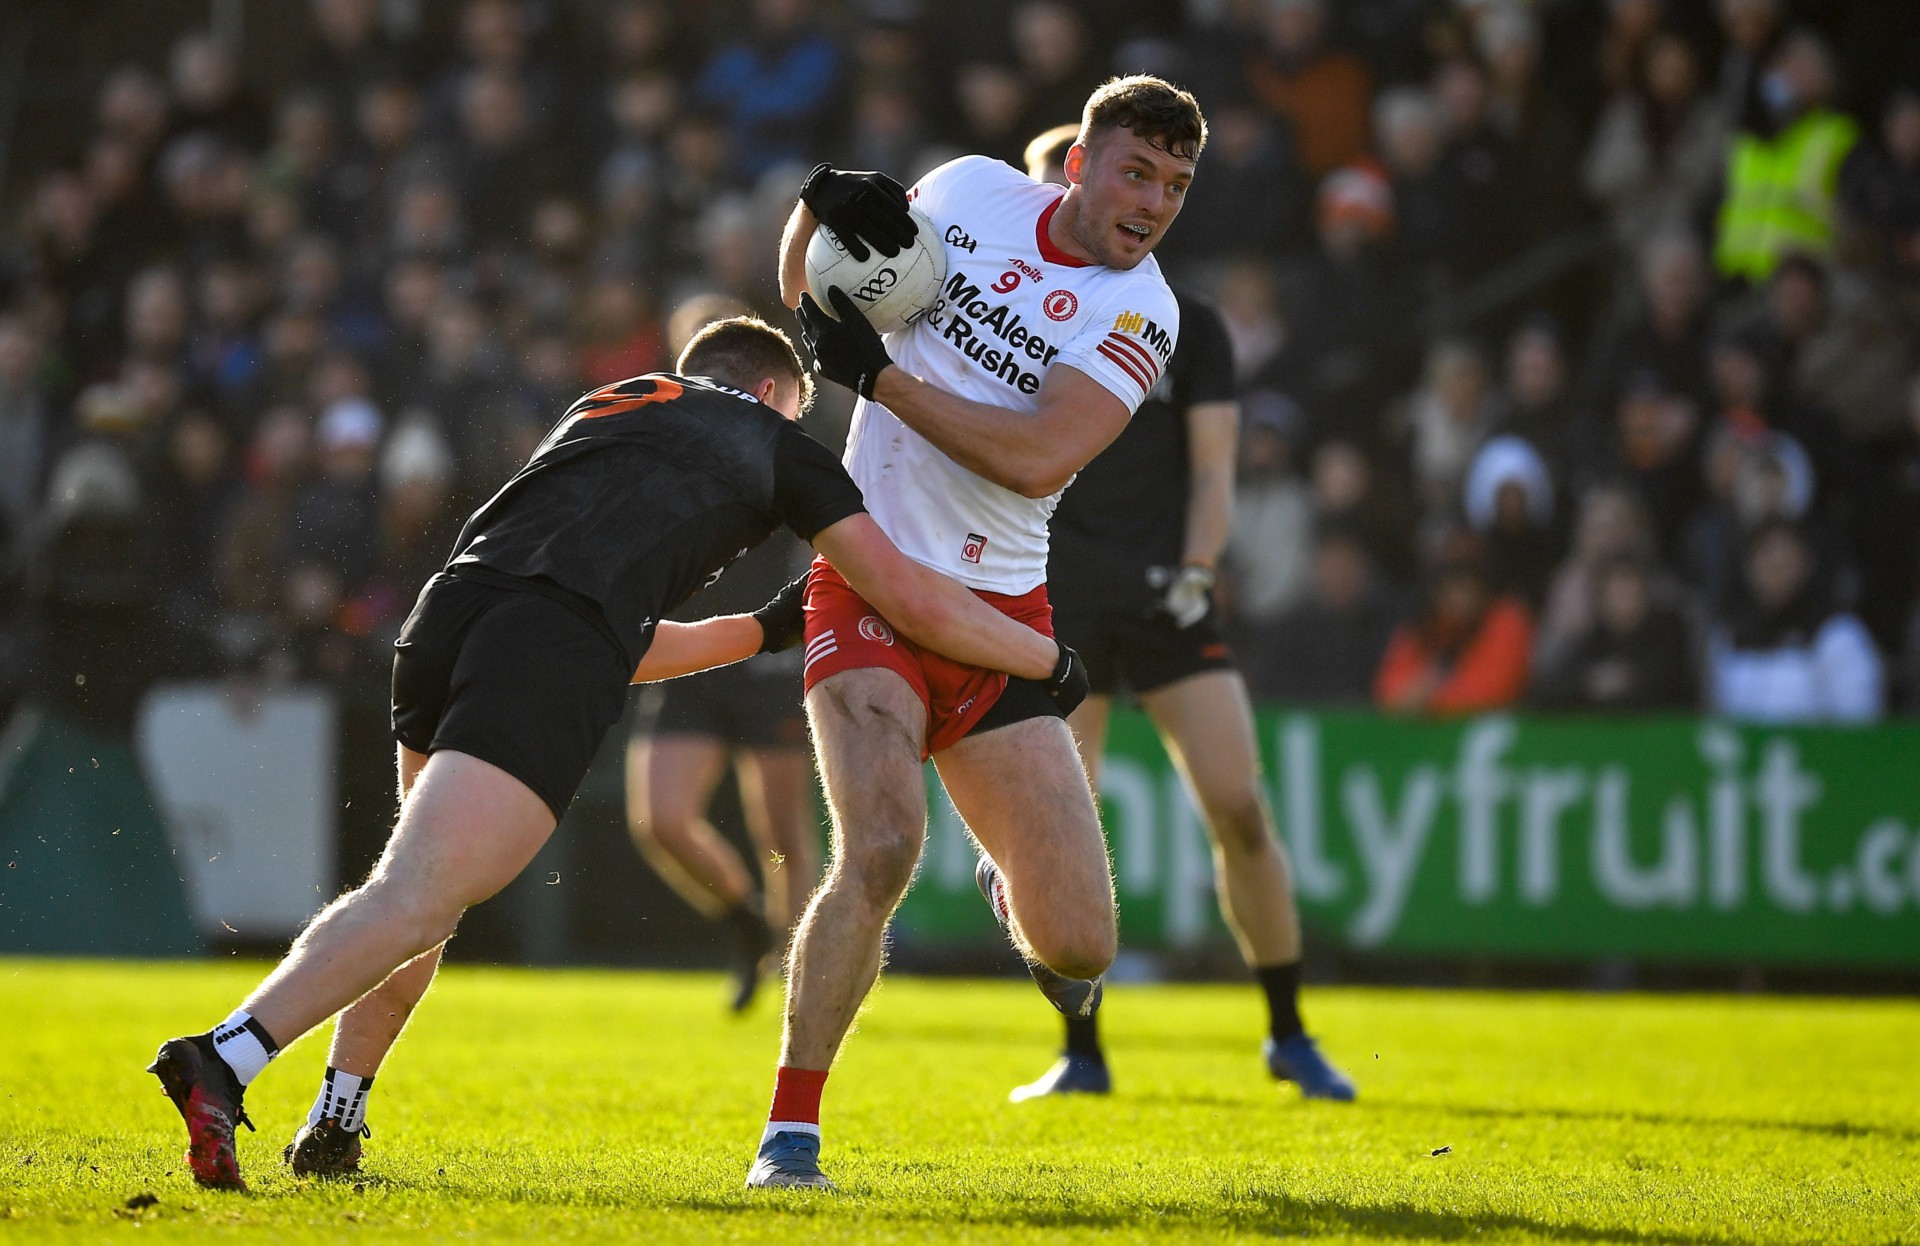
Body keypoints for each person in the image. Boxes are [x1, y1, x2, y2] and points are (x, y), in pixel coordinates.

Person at [146, 316, 1087, 1190]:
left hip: (448, 619)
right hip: (545, 643)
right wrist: (1048, 659)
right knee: (417, 894)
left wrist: (761, 630)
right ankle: (226, 1057)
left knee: (415, 897)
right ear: (772, 395)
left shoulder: (614, 400)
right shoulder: (775, 443)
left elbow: (617, 639)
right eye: (793, 411)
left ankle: (336, 1119)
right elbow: (908, 598)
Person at [746, 75, 1202, 1190]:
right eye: (1137, 172)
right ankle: (790, 1135)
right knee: (881, 847)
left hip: (999, 614)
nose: (1153, 203)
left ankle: (1013, 887)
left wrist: (882, 380)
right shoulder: (966, 193)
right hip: (867, 576)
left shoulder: (1142, 311)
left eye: (1177, 185)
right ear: (1080, 164)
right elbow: (815, 295)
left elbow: (1039, 457)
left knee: (1082, 946)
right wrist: (813, 210)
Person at [997, 124, 1354, 1103]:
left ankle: (1289, 1032)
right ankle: (1081, 1051)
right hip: (1053, 599)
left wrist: (1198, 567)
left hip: (1163, 596)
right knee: (1060, 832)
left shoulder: (1183, 324)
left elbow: (1212, 467)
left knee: (1239, 806)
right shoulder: (1003, 308)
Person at [626, 299, 819, 1014]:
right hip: (690, 650)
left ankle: (804, 980)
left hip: (766, 655)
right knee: (662, 820)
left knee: (782, 833)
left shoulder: (783, 442)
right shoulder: (665, 439)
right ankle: (745, 922)